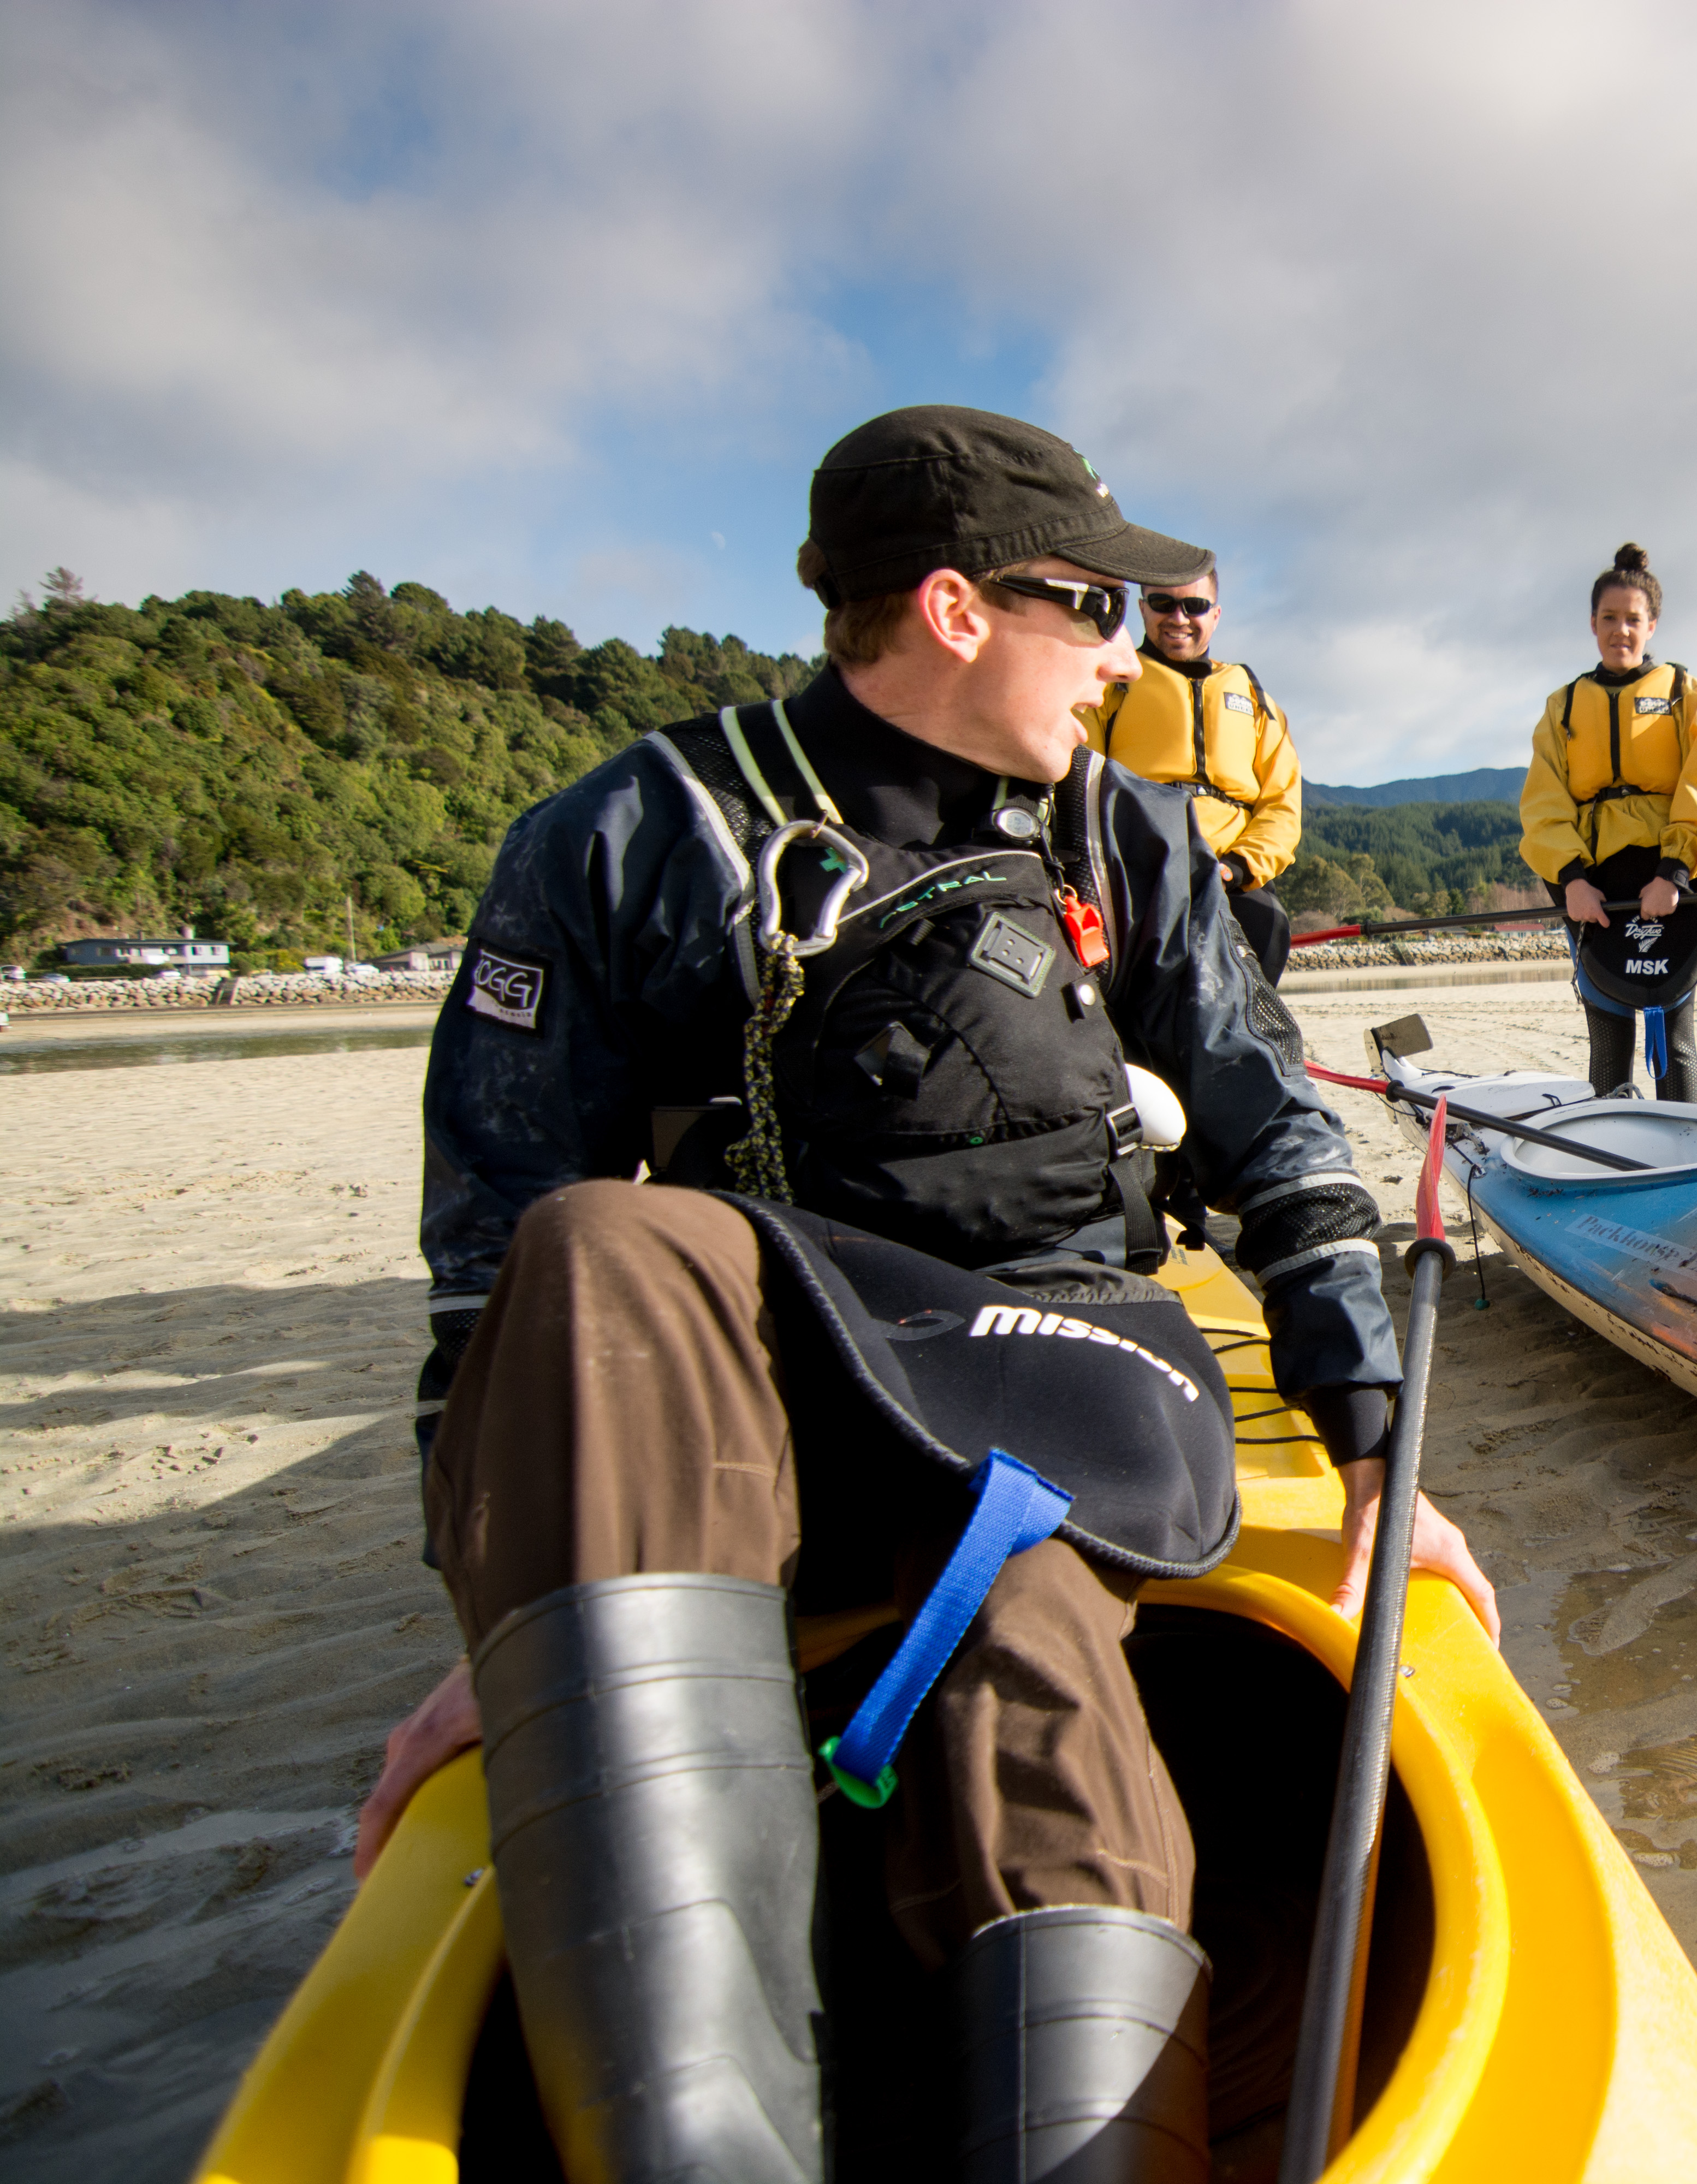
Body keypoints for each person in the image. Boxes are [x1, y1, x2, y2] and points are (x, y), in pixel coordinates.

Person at [359, 406, 1496, 2181]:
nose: (1128, 662)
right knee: (595, 1246)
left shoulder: (1119, 835)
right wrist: (515, 1621)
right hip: (784, 1383)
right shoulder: (635, 837)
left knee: (1019, 1599)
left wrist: (1371, 1445)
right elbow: (491, 1266)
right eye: (1096, 617)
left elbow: (1274, 1136)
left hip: (1057, 1383)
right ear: (960, 611)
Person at [1517, 543, 1697, 1100]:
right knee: (1609, 1036)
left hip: (1667, 878)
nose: (1621, 631)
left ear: (1652, 624)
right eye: (1609, 618)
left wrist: (1675, 872)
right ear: (1592, 624)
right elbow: (1543, 804)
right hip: (1595, 886)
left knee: (1676, 1038)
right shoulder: (1563, 706)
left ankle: (1683, 1148)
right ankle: (1615, 1155)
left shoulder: (1685, 692)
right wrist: (1571, 881)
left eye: (1633, 619)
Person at [1085, 560, 1304, 981]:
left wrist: (1236, 867)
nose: (1178, 618)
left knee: (1267, 923)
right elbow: (1081, 778)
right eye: (1163, 604)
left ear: (1216, 614)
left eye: (1195, 606)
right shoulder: (1109, 683)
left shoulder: (1256, 698)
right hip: (1138, 862)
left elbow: (1282, 804)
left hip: (1232, 872)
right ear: (1144, 609)